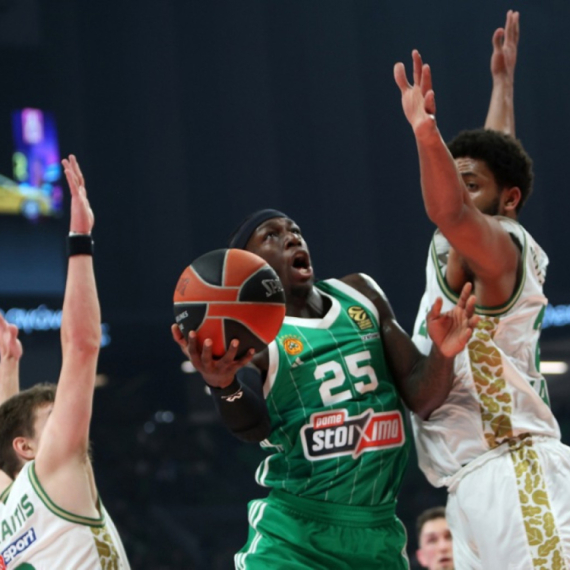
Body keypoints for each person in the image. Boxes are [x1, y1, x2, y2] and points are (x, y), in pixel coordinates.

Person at [172, 208, 479, 569]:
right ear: (247, 265)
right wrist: (223, 386)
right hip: (295, 537)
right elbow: (253, 427)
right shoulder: (257, 340)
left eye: (295, 230)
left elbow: (421, 396)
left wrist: (442, 354)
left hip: (378, 531)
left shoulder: (360, 294)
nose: (292, 237)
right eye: (271, 235)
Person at [394, 11, 570, 570]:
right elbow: (492, 166)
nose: (459, 190)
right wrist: (503, 83)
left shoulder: (501, 251)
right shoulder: (478, 235)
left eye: (470, 184)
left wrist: (426, 134)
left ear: (509, 200)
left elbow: (452, 208)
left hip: (516, 471)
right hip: (470, 482)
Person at [0, 156, 130, 568]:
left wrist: (7, 368)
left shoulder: (5, 506)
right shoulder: (53, 471)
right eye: (54, 417)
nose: (67, 419)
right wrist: (80, 239)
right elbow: (82, 345)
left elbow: (4, 437)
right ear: (27, 448)